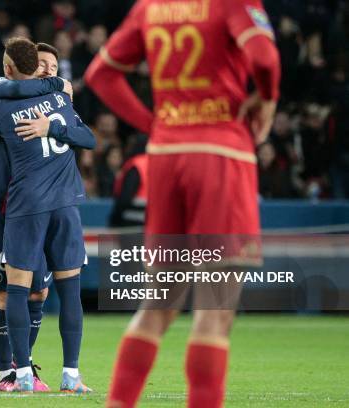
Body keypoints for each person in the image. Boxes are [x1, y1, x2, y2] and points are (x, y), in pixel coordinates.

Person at [85, 0, 281, 407]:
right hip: (221, 154)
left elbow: (100, 75)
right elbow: (264, 58)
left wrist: (153, 123)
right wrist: (267, 99)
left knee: (158, 304)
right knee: (214, 312)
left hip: (167, 156)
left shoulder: (149, 6)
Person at [0, 37, 93, 393]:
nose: (50, 72)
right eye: (44, 68)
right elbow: (91, 139)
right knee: (22, 293)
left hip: (26, 205)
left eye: (54, 68)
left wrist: (47, 124)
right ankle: (47, 375)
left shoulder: (1, 106)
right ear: (33, 67)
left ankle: (24, 375)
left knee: (28, 292)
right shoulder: (58, 98)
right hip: (34, 204)